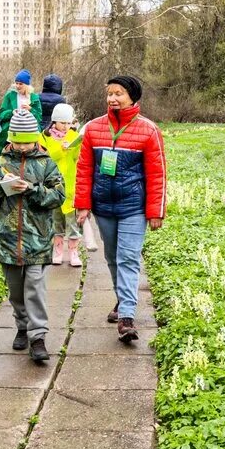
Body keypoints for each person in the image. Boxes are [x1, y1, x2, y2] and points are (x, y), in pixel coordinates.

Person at [74, 75, 166, 343]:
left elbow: (157, 173)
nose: (112, 98)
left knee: (128, 258)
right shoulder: (93, 129)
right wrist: (82, 205)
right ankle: (122, 298)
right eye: (109, 93)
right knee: (113, 259)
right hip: (104, 206)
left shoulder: (148, 131)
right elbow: (84, 169)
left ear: (132, 97)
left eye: (119, 94)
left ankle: (126, 317)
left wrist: (155, 210)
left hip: (133, 207)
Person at [0, 108, 65, 363]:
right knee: (16, 291)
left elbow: (58, 196)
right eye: (18, 141)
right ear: (11, 139)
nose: (24, 146)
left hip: (37, 240)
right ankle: (22, 326)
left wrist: (31, 189)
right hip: (8, 241)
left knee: (35, 289)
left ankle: (38, 337)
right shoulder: (1, 163)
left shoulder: (46, 163)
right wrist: (1, 186)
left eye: (28, 141)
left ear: (36, 139)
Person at [40, 103, 83, 267]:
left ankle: (73, 252)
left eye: (69, 123)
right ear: (54, 122)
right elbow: (46, 159)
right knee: (56, 219)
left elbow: (77, 159)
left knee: (72, 221)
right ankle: (57, 250)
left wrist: (73, 148)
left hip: (70, 184)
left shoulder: (74, 136)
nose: (66, 126)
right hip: (53, 185)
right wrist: (61, 150)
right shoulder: (45, 137)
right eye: (62, 123)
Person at [0, 69, 42, 158]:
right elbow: (1, 114)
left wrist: (30, 109)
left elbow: (39, 117)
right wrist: (11, 112)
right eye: (16, 83)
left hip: (29, 129)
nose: (18, 86)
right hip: (12, 127)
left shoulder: (34, 97)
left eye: (21, 84)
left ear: (26, 85)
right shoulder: (10, 95)